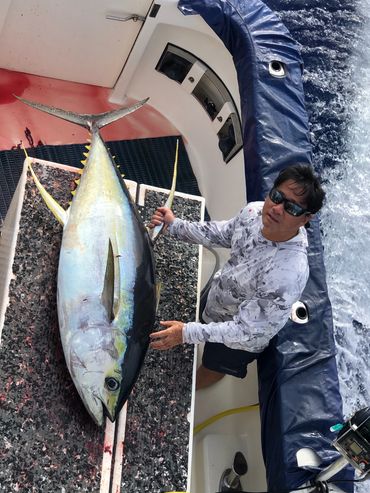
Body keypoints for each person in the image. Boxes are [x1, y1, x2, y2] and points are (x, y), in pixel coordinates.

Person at [148, 164, 325, 389]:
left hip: (240, 341)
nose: (277, 208)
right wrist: (174, 226)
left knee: (214, 366)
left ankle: (187, 387)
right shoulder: (254, 212)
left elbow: (245, 330)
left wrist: (186, 332)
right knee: (198, 325)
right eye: (277, 196)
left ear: (306, 218)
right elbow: (221, 234)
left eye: (292, 208)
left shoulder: (288, 276)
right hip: (218, 296)